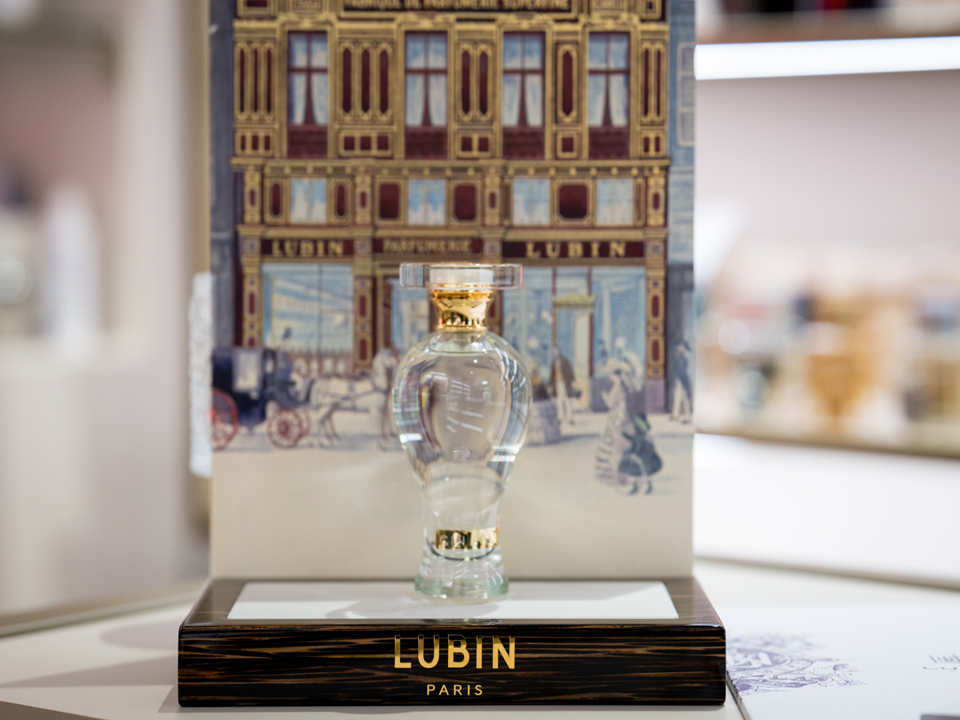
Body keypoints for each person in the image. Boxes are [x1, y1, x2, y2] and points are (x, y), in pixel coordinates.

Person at [548, 346, 577, 425]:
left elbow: (569, 371)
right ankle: (560, 418)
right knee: (559, 402)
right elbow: (552, 375)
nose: (555, 353)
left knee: (568, 401)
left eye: (556, 351)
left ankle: (570, 418)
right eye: (554, 352)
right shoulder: (553, 363)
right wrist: (550, 385)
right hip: (557, 384)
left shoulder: (565, 360)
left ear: (559, 351)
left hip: (565, 383)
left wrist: (572, 380)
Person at [671, 341, 693, 424]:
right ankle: (675, 415)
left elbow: (684, 371)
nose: (679, 348)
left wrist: (685, 382)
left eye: (681, 346)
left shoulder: (685, 356)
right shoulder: (680, 356)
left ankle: (688, 416)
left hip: (684, 379)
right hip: (680, 379)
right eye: (679, 346)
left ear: (684, 347)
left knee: (685, 398)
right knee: (678, 397)